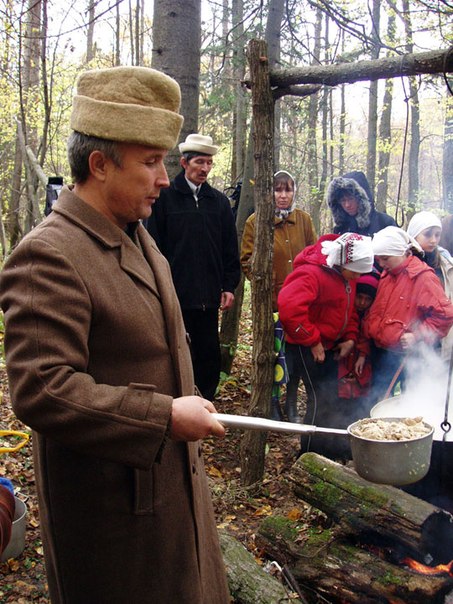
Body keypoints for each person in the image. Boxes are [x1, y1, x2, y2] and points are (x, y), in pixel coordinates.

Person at [0, 66, 230, 603]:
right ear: (100, 165)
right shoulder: (48, 255)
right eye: (150, 162)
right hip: (113, 520)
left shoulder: (139, 239)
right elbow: (42, 389)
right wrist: (164, 416)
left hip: (174, 499)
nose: (165, 179)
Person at [146, 133, 240, 401]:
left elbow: (229, 248)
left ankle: (205, 403)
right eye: (200, 162)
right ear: (184, 163)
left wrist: (228, 285)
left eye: (209, 163)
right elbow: (152, 245)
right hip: (175, 294)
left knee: (208, 356)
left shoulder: (219, 202)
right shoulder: (164, 198)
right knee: (178, 352)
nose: (205, 169)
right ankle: (180, 403)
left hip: (209, 298)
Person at [278, 232, 374, 460]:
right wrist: (312, 340)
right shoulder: (311, 274)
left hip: (331, 345)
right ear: (343, 262)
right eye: (356, 271)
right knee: (318, 398)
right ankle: (310, 452)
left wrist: (350, 338)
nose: (358, 276)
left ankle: (329, 447)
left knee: (331, 395)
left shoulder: (346, 275)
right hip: (304, 346)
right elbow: (289, 308)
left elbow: (349, 310)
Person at [241, 170, 317, 422]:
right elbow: (247, 260)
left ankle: (291, 400)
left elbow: (314, 255)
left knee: (296, 354)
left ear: (294, 192)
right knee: (273, 354)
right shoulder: (256, 222)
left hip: (302, 304)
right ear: (269, 192)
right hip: (271, 303)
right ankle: (272, 401)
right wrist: (267, 283)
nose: (283, 195)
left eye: (288, 190)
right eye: (277, 190)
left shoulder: (303, 220)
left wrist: (305, 286)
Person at [364, 226, 453, 400]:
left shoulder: (423, 277)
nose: (381, 264)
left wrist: (417, 336)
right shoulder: (388, 274)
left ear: (401, 252)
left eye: (385, 258)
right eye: (379, 259)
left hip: (408, 357)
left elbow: (445, 315)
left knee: (410, 400)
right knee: (376, 400)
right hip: (382, 351)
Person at [407, 210, 453, 361]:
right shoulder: (403, 263)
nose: (433, 240)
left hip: (438, 335)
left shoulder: (446, 264)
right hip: (410, 334)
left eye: (437, 235)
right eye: (427, 234)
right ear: (414, 234)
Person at [337, 271, 380, 422]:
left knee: (361, 396)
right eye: (359, 297)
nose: (362, 303)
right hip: (344, 356)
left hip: (362, 360)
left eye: (367, 299)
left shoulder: (372, 316)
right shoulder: (345, 311)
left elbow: (367, 336)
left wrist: (362, 354)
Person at [327, 170, 396, 237]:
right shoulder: (341, 228)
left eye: (351, 199)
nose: (347, 205)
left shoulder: (384, 222)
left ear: (361, 198)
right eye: (343, 200)